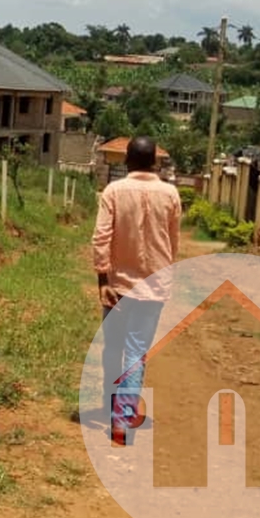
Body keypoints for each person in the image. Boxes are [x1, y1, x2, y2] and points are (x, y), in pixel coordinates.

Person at [92, 135, 182, 444]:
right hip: (153, 288)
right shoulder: (170, 194)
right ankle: (121, 420)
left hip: (117, 285)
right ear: (155, 162)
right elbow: (173, 242)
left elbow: (101, 237)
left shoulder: (113, 191)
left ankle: (109, 403)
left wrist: (102, 281)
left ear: (127, 161)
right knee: (135, 353)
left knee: (113, 347)